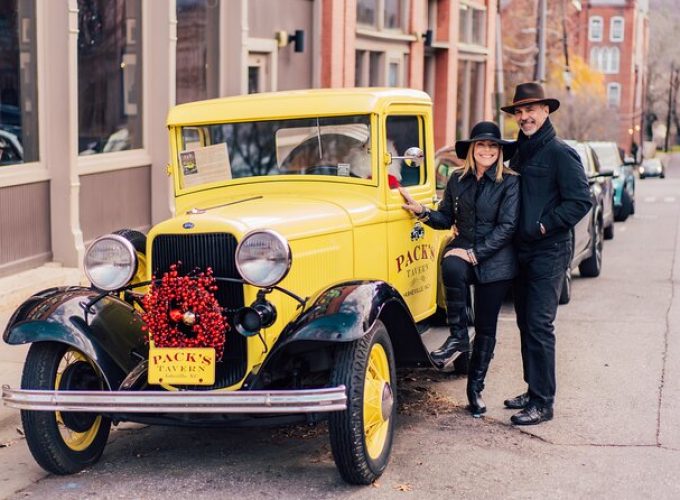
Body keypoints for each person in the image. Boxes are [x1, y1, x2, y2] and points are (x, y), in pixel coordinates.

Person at [399, 121, 519, 417]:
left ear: (499, 151)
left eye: (493, 146)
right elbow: (444, 218)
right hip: (463, 247)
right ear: (472, 150)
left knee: (486, 328)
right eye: (482, 145)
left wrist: (475, 254)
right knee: (450, 263)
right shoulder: (457, 179)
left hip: (496, 259)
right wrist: (423, 212)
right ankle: (456, 336)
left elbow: (507, 227)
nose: (487, 150)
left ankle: (474, 390)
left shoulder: (510, 181)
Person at [500, 82, 592, 425]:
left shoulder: (559, 152)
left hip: (549, 251)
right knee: (525, 323)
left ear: (546, 111)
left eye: (531, 110)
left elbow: (582, 201)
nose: (524, 117)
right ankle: (532, 388)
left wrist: (544, 225)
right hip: (520, 251)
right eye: (519, 112)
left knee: (539, 325)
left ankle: (543, 402)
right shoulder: (519, 152)